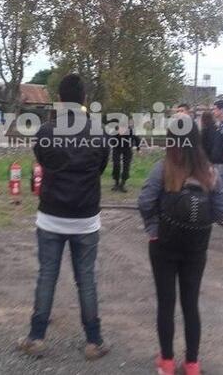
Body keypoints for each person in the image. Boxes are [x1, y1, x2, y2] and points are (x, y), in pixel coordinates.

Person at [19, 74, 111, 361]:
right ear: (84, 100)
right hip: (85, 218)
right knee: (86, 279)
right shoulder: (98, 131)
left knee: (47, 276)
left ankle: (36, 338)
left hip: (51, 217)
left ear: (59, 99)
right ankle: (94, 341)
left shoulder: (46, 131)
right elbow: (99, 167)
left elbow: (44, 163)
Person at [137, 115, 223, 375]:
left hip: (163, 245)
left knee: (166, 303)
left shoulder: (163, 168)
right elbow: (221, 212)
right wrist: (200, 224)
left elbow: (145, 202)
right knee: (191, 304)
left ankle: (166, 362)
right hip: (195, 248)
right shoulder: (209, 172)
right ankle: (192, 364)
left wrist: (153, 229)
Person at [111, 119, 141, 193]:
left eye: (123, 129)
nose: (122, 131)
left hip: (127, 148)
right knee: (116, 164)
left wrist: (138, 148)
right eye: (120, 129)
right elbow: (110, 140)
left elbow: (137, 139)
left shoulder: (131, 131)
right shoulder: (115, 131)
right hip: (117, 148)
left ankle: (122, 184)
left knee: (126, 166)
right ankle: (116, 183)